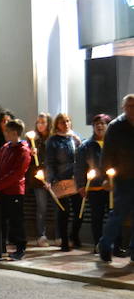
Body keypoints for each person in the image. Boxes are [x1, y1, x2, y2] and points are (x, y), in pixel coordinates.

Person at [0, 119, 32, 260]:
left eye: (7, 131)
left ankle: (20, 248)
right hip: (0, 191)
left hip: (14, 191)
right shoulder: (5, 148)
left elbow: (17, 174)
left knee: (16, 220)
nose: (5, 133)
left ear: (15, 132)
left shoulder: (23, 151)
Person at [98, 94, 134, 263]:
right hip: (123, 177)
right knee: (118, 214)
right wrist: (106, 176)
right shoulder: (115, 127)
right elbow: (107, 154)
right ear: (123, 108)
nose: (132, 109)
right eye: (129, 106)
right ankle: (105, 245)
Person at [75, 114, 114, 257]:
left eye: (103, 123)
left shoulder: (113, 143)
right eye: (97, 124)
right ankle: (98, 244)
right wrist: (80, 185)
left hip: (112, 188)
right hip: (95, 188)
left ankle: (115, 245)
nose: (100, 126)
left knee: (114, 217)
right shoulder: (86, 146)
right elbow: (79, 167)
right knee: (97, 218)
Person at [45, 112, 82, 251]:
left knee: (79, 211)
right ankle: (65, 241)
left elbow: (81, 157)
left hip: (77, 180)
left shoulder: (76, 138)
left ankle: (74, 236)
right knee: (64, 212)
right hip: (61, 180)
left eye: (67, 121)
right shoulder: (53, 140)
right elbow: (50, 162)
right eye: (62, 122)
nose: (65, 124)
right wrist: (50, 179)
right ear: (57, 125)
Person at [29, 113, 52, 247]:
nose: (40, 125)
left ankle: (59, 235)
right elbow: (31, 161)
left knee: (56, 206)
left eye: (43, 122)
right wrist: (31, 154)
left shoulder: (52, 139)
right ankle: (41, 235)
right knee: (41, 206)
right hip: (39, 177)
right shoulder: (33, 140)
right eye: (38, 122)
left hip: (52, 176)